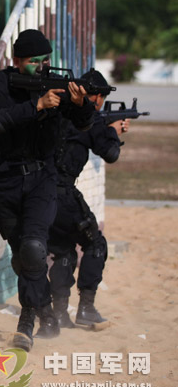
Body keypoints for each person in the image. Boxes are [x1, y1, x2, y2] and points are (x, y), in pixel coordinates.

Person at [0, 29, 95, 351]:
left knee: (33, 249)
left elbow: (85, 122)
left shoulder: (57, 86)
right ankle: (45, 312)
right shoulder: (1, 84)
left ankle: (25, 323)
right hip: (7, 179)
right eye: (35, 61)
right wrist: (37, 105)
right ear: (17, 61)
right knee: (23, 258)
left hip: (42, 180)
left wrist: (80, 102)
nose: (43, 67)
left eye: (46, 60)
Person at [48, 69, 125, 330]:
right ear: (95, 97)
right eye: (100, 98)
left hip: (43, 193)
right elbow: (110, 153)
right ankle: (86, 308)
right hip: (64, 191)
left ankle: (60, 313)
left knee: (63, 251)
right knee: (96, 244)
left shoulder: (59, 111)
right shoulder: (88, 118)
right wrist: (113, 131)